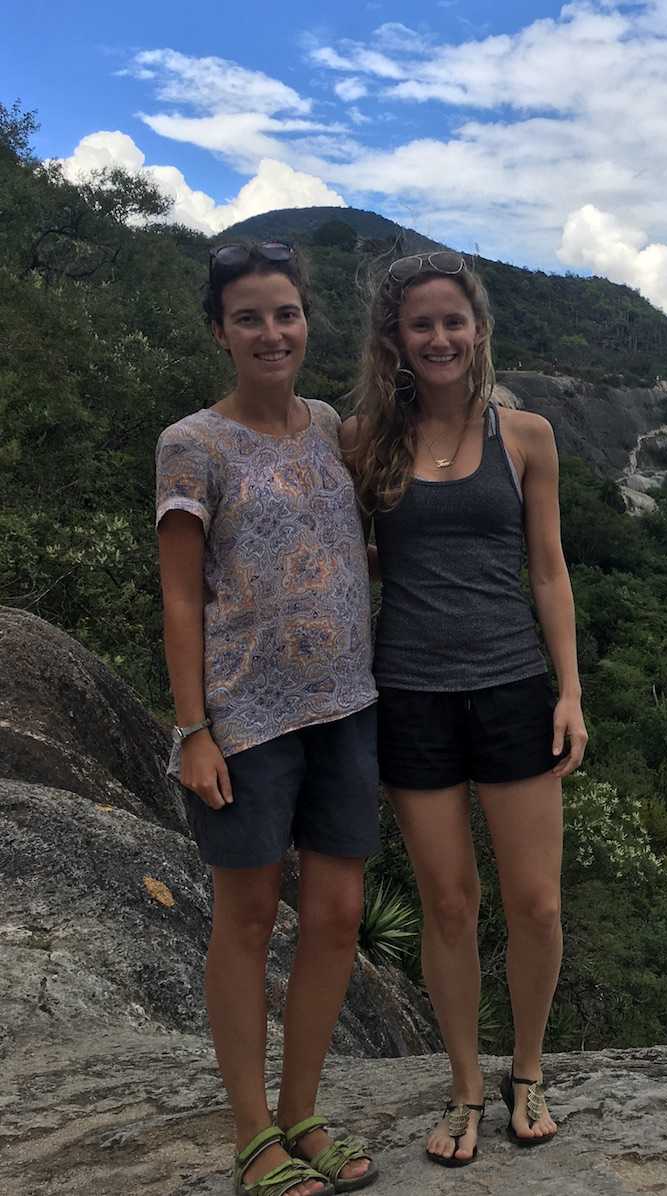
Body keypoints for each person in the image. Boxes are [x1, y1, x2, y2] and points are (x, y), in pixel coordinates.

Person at [343, 249, 587, 1167]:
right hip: (408, 693)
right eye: (421, 324)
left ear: (477, 329)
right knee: (447, 903)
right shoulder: (366, 439)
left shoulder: (527, 435)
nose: (440, 338)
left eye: (454, 321)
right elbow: (351, 555)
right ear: (396, 339)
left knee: (536, 901)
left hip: (513, 686)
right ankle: (464, 1085)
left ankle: (526, 1068)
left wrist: (569, 692)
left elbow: (549, 569)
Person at [156, 241, 380, 1195]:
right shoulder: (191, 444)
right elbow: (177, 597)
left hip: (346, 705)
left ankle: (303, 1113)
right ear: (220, 331)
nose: (270, 331)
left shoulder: (330, 424)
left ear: (305, 321)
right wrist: (192, 727)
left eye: (284, 313)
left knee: (335, 918)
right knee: (245, 922)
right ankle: (254, 1137)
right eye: (248, 316)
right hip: (246, 721)